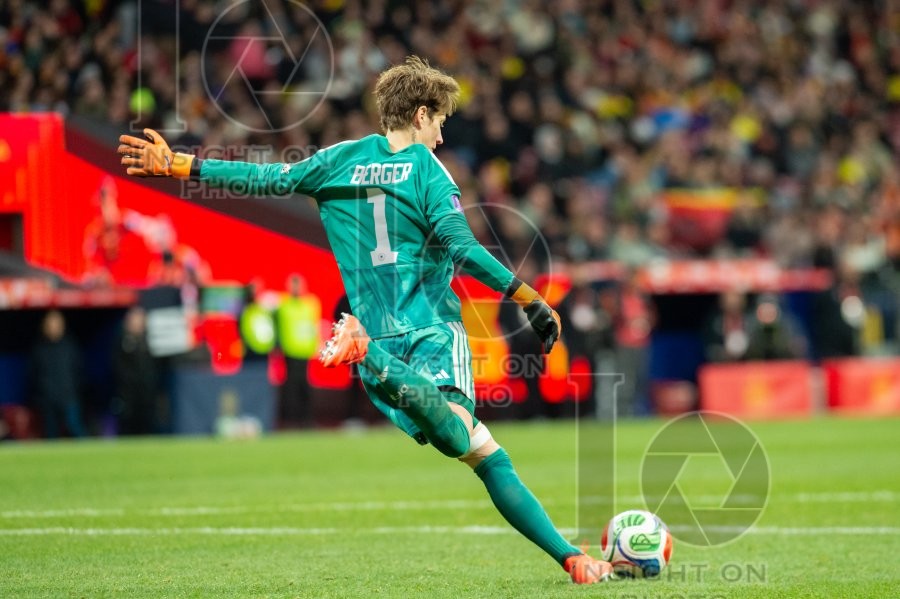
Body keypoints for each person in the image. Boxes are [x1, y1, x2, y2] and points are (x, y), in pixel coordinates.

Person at [117, 56, 612, 584]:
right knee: (465, 442)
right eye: (440, 122)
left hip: (377, 335)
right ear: (420, 115)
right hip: (429, 328)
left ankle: (571, 559)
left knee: (475, 447)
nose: (441, 136)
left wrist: (183, 166)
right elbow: (462, 246)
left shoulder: (339, 159)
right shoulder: (427, 168)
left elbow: (265, 177)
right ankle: (569, 556)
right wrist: (528, 297)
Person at [29, 310, 87, 438]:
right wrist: (41, 394)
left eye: (57, 324)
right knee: (51, 433)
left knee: (75, 427)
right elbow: (34, 375)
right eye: (50, 324)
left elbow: (78, 371)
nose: (54, 327)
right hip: (48, 399)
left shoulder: (70, 345)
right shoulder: (39, 348)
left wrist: (74, 389)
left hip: (69, 396)